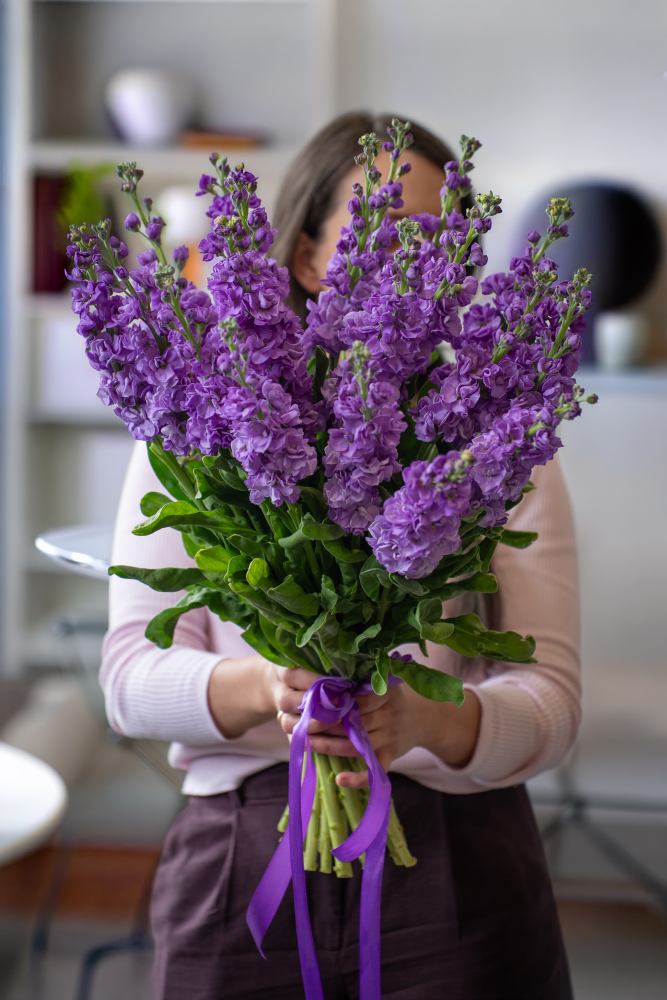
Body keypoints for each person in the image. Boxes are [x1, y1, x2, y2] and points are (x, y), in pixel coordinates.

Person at [101, 112, 580, 999]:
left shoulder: (503, 444)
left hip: (459, 862)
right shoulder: (201, 430)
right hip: (244, 853)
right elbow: (127, 681)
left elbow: (553, 699)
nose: (415, 266)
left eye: (439, 245)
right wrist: (264, 690)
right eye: (385, 234)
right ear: (309, 255)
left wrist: (429, 721)